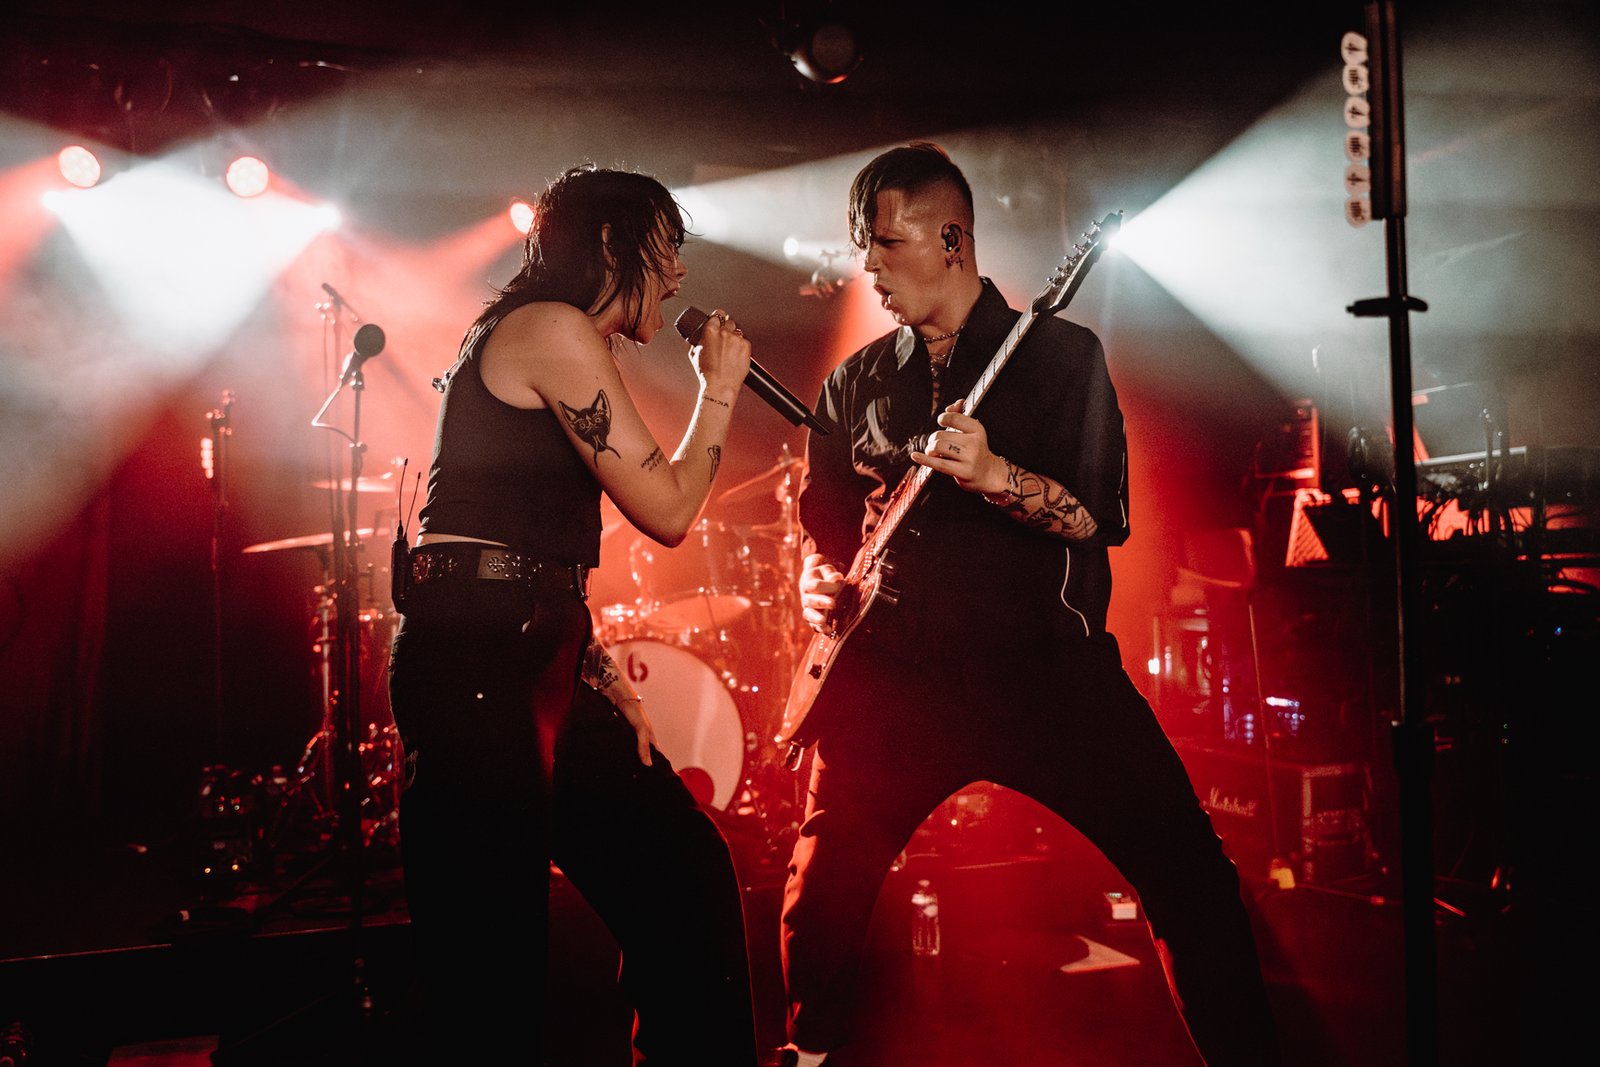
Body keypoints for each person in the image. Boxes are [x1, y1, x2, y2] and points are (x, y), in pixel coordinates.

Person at [776, 143, 1280, 1066]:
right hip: (896, 680)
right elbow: (826, 526)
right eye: (864, 247)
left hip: (1045, 672)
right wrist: (819, 578)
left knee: (1191, 876)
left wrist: (995, 474)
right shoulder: (855, 383)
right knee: (820, 896)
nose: (870, 267)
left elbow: (1096, 516)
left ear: (953, 240)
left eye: (889, 243)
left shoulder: (1061, 357)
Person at [387, 164, 759, 1065]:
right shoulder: (549, 328)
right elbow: (668, 510)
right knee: (492, 969)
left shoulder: (553, 335)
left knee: (683, 875)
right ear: (608, 242)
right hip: (477, 662)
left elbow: (531, 547)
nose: (677, 273)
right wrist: (719, 388)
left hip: (530, 649)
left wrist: (590, 669)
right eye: (666, 248)